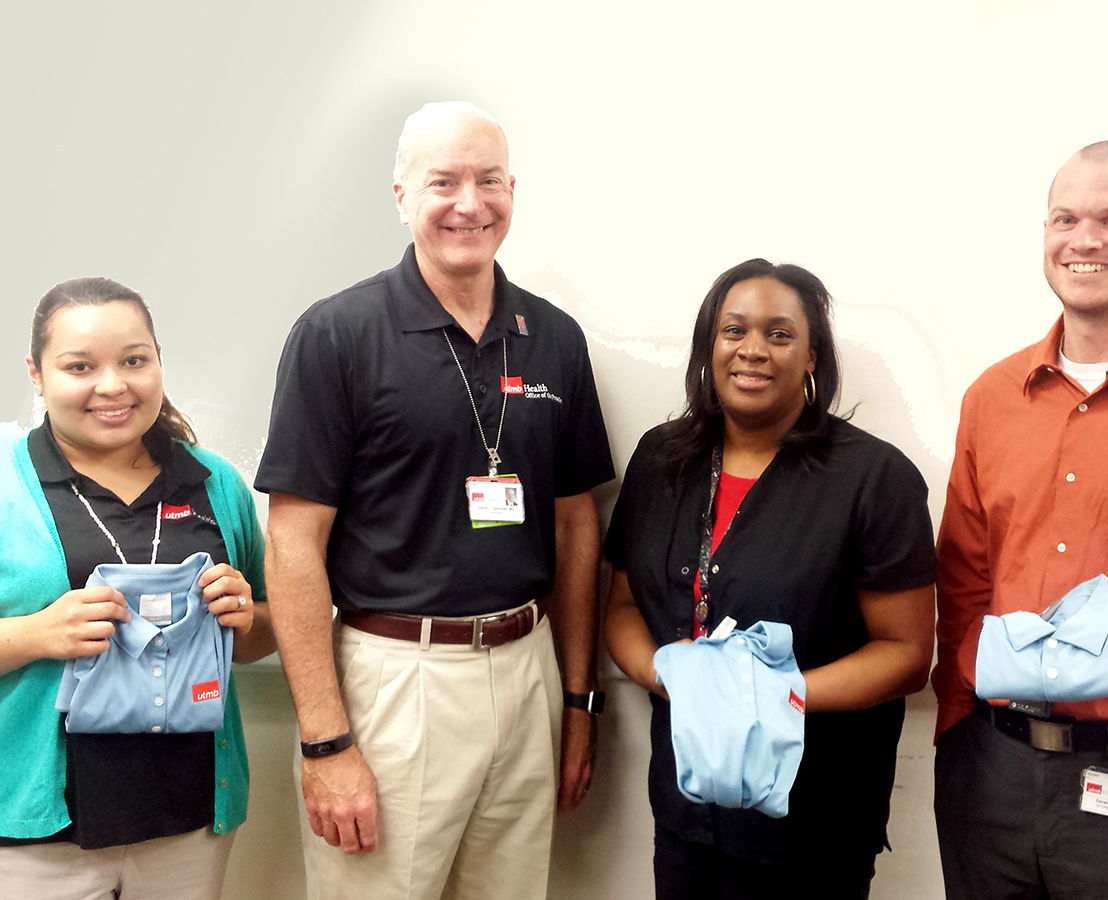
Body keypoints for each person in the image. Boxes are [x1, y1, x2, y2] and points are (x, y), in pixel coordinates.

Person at [254, 100, 614, 900]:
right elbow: (292, 544)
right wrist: (324, 741)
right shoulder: (338, 334)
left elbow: (576, 525)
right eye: (443, 181)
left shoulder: (552, 337)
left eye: (489, 180)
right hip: (394, 679)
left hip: (527, 671)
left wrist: (578, 698)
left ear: (513, 189)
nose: (469, 203)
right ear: (400, 195)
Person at [603, 259, 937, 899]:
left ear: (813, 356)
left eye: (779, 334)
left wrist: (767, 702)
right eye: (734, 331)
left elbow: (906, 655)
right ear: (710, 345)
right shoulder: (661, 459)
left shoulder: (874, 479)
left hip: (816, 822)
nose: (753, 350)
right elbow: (621, 605)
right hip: (685, 807)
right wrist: (668, 676)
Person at [933, 140, 1108, 899]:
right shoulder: (992, 396)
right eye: (1066, 218)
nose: (1084, 240)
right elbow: (965, 578)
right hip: (992, 770)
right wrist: (959, 733)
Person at [0, 277, 275, 899]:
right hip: (35, 836)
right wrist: (35, 635)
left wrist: (243, 619)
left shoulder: (214, 483)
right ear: (36, 374)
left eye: (134, 360)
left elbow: (264, 633)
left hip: (188, 822)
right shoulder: (7, 486)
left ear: (158, 362)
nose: (113, 385)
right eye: (79, 366)